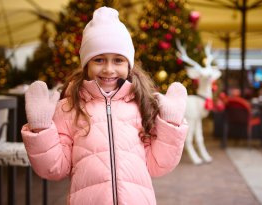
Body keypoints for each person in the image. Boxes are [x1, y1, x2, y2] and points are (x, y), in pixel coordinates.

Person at [21, 7, 188, 205]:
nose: (109, 69)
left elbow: (158, 165)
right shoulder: (69, 108)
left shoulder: (143, 106)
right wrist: (40, 128)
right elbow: (55, 168)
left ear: (128, 65)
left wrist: (171, 124)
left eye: (118, 60)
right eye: (99, 60)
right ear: (86, 65)